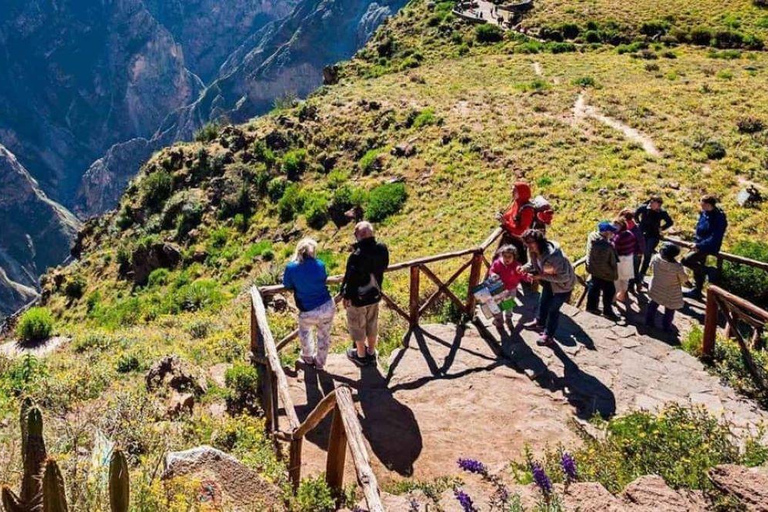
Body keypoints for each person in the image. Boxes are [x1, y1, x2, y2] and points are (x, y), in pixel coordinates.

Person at [340, 221, 390, 367]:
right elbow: (384, 265)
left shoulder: (357, 255)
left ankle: (360, 356)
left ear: (358, 236)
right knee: (372, 324)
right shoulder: (382, 249)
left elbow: (351, 279)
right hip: (374, 294)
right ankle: (371, 353)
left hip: (358, 299)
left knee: (357, 326)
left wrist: (346, 296)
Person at [282, 238, 336, 371]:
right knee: (324, 335)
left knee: (305, 332)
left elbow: (287, 285)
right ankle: (320, 363)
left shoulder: (291, 267)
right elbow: (323, 279)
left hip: (307, 309)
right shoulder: (320, 264)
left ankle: (308, 357)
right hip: (327, 305)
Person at [521, 230, 576, 346]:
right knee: (543, 301)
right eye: (526, 242)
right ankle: (539, 323)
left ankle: (548, 335)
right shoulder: (534, 251)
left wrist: (540, 276)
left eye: (530, 242)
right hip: (549, 282)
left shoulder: (554, 256)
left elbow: (563, 277)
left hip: (562, 287)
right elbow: (534, 263)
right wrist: (524, 268)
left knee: (553, 309)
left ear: (539, 241)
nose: (528, 245)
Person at [682, 195, 728, 299]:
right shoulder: (704, 213)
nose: (700, 206)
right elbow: (700, 227)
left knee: (686, 260)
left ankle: (709, 271)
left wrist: (699, 245)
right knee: (697, 267)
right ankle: (697, 290)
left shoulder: (718, 217)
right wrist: (696, 241)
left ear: (708, 204)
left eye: (702, 204)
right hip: (699, 243)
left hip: (709, 246)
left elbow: (715, 235)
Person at [646, 243, 688, 331]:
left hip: (656, 286)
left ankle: (649, 322)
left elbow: (650, 267)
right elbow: (684, 279)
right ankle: (666, 327)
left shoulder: (656, 258)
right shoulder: (677, 267)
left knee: (653, 305)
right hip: (671, 291)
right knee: (670, 310)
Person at [487, 245, 531, 328]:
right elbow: (492, 270)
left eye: (509, 257)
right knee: (497, 304)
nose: (507, 258)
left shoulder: (516, 265)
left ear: (514, 256)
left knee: (508, 304)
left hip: (511, 289)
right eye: (505, 256)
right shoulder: (497, 263)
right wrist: (493, 274)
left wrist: (527, 278)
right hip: (499, 288)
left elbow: (522, 274)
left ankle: (508, 317)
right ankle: (499, 319)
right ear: (501, 255)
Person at [635, 196, 674, 284]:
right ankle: (635, 274)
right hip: (642, 233)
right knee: (638, 253)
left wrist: (661, 228)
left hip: (653, 235)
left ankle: (642, 274)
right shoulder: (644, 207)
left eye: (659, 205)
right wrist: (638, 223)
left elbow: (670, 222)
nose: (658, 206)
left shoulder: (662, 212)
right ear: (652, 202)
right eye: (657, 204)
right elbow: (636, 214)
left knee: (647, 253)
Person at [585, 221, 620, 320]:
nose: (613, 234)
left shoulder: (592, 236)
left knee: (594, 288)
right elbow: (610, 262)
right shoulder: (606, 246)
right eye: (611, 231)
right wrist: (612, 273)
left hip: (593, 270)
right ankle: (607, 312)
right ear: (605, 232)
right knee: (610, 291)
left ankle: (591, 308)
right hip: (605, 273)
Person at [496, 181, 535, 264]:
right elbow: (510, 214)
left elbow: (521, 231)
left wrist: (505, 223)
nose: (512, 192)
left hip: (517, 243)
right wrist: (502, 217)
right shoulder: (517, 203)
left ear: (521, 193)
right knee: (499, 262)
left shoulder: (527, 210)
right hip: (509, 238)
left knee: (515, 265)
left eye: (514, 191)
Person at [619, 209, 646, 293]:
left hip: (632, 253)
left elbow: (641, 242)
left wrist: (640, 252)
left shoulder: (631, 228)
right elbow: (642, 242)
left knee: (631, 271)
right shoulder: (635, 227)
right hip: (635, 253)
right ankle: (635, 285)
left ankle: (631, 287)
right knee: (634, 270)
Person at [611, 217, 637, 305]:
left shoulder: (617, 237)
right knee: (625, 278)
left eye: (616, 226)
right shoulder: (630, 233)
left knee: (616, 279)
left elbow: (614, 249)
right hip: (629, 258)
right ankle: (622, 295)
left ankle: (613, 298)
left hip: (620, 260)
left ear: (621, 226)